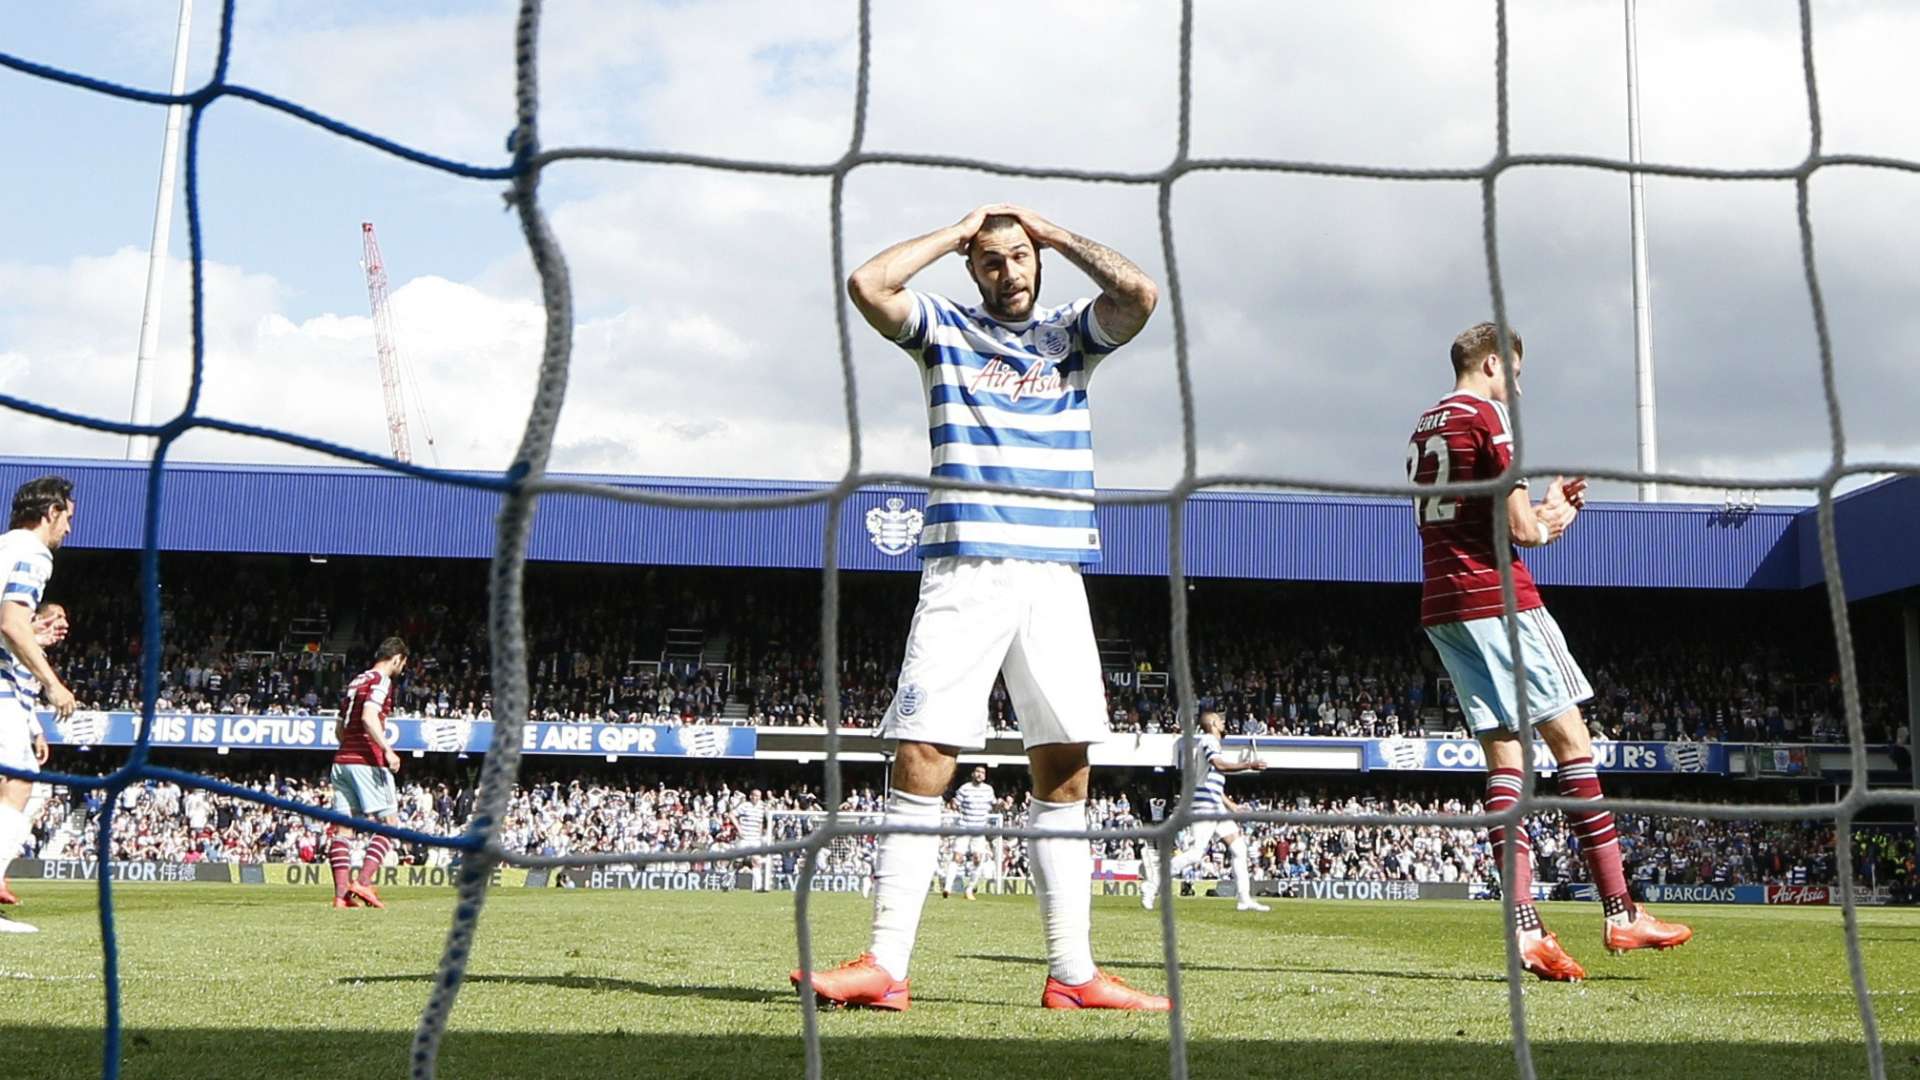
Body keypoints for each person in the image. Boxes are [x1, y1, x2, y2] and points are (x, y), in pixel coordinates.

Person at [793, 204, 1167, 1012]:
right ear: (973, 269)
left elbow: (1139, 294)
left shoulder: (1072, 334)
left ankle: (1072, 975)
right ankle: (886, 966)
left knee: (1066, 765)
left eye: (1020, 257)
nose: (1010, 271)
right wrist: (955, 233)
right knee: (924, 753)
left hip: (1056, 571)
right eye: (992, 261)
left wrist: (1058, 232)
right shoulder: (943, 328)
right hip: (966, 567)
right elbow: (868, 283)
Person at [1407, 322, 1691, 981]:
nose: (1518, 386)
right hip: (1499, 599)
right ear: (1490, 364)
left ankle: (1525, 929)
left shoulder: (1425, 426)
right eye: (1514, 371)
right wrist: (1555, 514)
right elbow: (1524, 533)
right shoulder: (1491, 418)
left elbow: (1469, 514)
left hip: (1443, 602)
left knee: (1505, 759)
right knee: (1572, 742)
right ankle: (1621, 912)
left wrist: (1533, 510)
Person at [0, 478, 77, 933]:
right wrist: (52, 683)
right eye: (67, 516)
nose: (69, 528)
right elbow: (10, 621)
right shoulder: (33, 553)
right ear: (50, 512)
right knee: (19, 783)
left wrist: (34, 635)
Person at [1140, 711, 1270, 912]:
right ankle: (1152, 884)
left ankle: (1244, 898)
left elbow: (1213, 783)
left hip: (1215, 806)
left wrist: (1231, 805)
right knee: (1194, 854)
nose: (1224, 722)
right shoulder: (1209, 740)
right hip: (1205, 807)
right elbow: (1219, 765)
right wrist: (1249, 765)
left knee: (1239, 848)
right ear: (1213, 723)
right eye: (1221, 720)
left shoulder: (1212, 743)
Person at [327, 637, 408, 910]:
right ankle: (362, 882)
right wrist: (387, 750)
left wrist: (349, 747)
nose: (402, 670)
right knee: (389, 824)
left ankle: (341, 897)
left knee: (344, 829)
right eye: (403, 664)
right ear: (396, 658)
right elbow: (369, 717)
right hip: (366, 759)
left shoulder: (355, 681)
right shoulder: (381, 681)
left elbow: (340, 727)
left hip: (342, 760)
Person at [0, 602, 70, 906]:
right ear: (33, 618)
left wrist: (36, 731)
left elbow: (22, 696)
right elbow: (12, 628)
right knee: (20, 783)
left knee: (26, 787)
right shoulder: (17, 639)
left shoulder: (34, 654)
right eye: (56, 618)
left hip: (14, 716)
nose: (63, 625)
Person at [951, 766, 997, 900]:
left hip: (979, 829)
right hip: (964, 827)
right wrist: (954, 803)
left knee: (978, 858)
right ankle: (947, 888)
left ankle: (969, 889)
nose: (980, 774)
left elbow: (994, 804)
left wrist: (1000, 804)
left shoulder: (989, 790)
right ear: (972, 774)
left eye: (982, 773)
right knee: (957, 856)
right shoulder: (965, 788)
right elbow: (956, 803)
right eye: (978, 772)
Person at [733, 788, 770, 892]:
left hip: (755, 839)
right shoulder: (745, 806)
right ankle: (726, 882)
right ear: (750, 796)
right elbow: (731, 814)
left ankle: (758, 887)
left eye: (758, 796)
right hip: (744, 838)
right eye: (754, 796)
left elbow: (766, 819)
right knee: (737, 862)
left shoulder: (762, 807)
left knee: (756, 861)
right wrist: (739, 828)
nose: (756, 798)